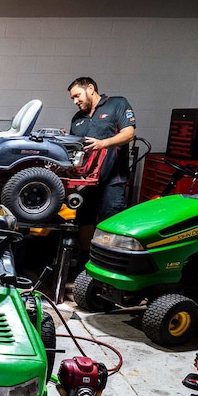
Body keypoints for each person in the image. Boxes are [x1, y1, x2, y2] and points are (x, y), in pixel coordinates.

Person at [67, 77, 137, 261]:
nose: (75, 101)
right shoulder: (78, 119)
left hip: (113, 180)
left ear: (90, 88)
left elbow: (129, 134)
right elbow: (76, 149)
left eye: (77, 96)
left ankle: (106, 265)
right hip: (87, 182)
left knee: (110, 224)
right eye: (73, 98)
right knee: (84, 221)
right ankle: (85, 263)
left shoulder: (116, 104)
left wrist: (103, 143)